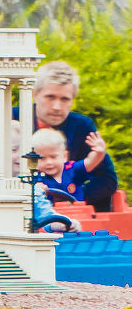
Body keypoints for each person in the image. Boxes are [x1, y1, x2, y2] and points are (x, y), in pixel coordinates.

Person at [14, 61, 115, 211]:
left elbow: (107, 180)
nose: (57, 106)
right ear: (35, 94)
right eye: (50, 97)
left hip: (72, 212)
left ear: (73, 99)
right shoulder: (11, 119)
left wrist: (71, 197)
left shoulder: (82, 126)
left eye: (65, 99)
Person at [29, 126, 86, 233]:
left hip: (80, 213)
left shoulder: (71, 171)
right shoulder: (34, 180)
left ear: (64, 156)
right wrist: (38, 190)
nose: (49, 162)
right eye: (42, 158)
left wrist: (98, 153)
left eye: (53, 157)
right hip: (52, 218)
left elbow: (89, 166)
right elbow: (42, 212)